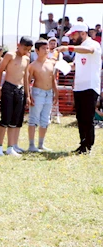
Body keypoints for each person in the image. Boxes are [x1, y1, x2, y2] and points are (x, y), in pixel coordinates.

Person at [56, 22, 102, 154]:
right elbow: (75, 65)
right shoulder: (80, 47)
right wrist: (62, 66)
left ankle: (88, 145)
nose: (72, 38)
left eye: (74, 35)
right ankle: (82, 143)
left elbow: (90, 51)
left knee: (87, 117)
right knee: (80, 117)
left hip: (90, 87)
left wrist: (68, 48)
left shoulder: (93, 44)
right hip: (78, 87)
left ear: (83, 33)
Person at [0, 37, 33, 157]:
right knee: (5, 119)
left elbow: (26, 78)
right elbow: (0, 71)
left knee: (15, 120)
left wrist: (27, 95)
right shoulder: (9, 56)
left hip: (20, 89)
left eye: (28, 49)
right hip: (8, 88)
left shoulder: (26, 59)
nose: (26, 51)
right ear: (18, 45)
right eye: (24, 48)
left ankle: (10, 147)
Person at [26, 39, 59, 153]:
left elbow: (53, 79)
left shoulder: (51, 63)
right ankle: (31, 145)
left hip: (48, 93)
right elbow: (28, 81)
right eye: (44, 48)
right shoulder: (33, 65)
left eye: (47, 48)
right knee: (33, 119)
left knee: (45, 119)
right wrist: (29, 95)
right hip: (37, 92)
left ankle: (41, 144)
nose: (46, 50)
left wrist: (56, 92)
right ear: (37, 50)